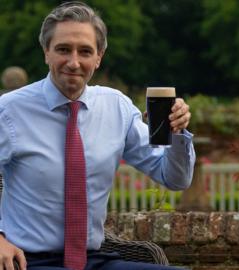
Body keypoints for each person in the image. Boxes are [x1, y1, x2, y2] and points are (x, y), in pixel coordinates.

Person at [0, 2, 194, 270]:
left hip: (94, 259)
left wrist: (177, 133)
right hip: (29, 261)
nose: (74, 62)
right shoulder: (8, 111)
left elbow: (174, 178)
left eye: (85, 51)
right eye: (63, 49)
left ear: (99, 56)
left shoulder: (117, 107)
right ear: (46, 52)